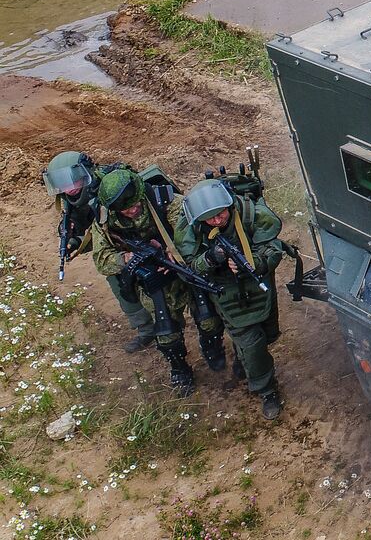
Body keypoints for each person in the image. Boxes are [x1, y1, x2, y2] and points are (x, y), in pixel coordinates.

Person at [91, 169, 226, 395]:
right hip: (152, 280)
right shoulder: (105, 221)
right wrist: (126, 258)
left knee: (208, 317)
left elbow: (191, 228)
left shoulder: (165, 199)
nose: (133, 210)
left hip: (183, 268)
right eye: (126, 209)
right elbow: (101, 259)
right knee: (166, 331)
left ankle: (212, 347)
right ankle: (179, 367)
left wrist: (174, 250)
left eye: (135, 204)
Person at [177, 178, 286, 420]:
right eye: (211, 219)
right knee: (251, 341)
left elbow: (273, 248)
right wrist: (211, 258)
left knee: (268, 333)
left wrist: (255, 263)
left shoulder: (251, 214)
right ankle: (266, 389)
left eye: (221, 215)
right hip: (223, 288)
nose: (217, 221)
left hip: (258, 280)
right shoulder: (191, 228)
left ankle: (243, 359)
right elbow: (190, 265)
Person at [43, 152, 157, 353]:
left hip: (139, 235)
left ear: (84, 172)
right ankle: (146, 329)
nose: (68, 189)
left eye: (71, 181)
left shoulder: (108, 186)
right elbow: (89, 232)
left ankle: (168, 324)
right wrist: (73, 240)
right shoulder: (71, 199)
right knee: (121, 285)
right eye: (61, 183)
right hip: (111, 244)